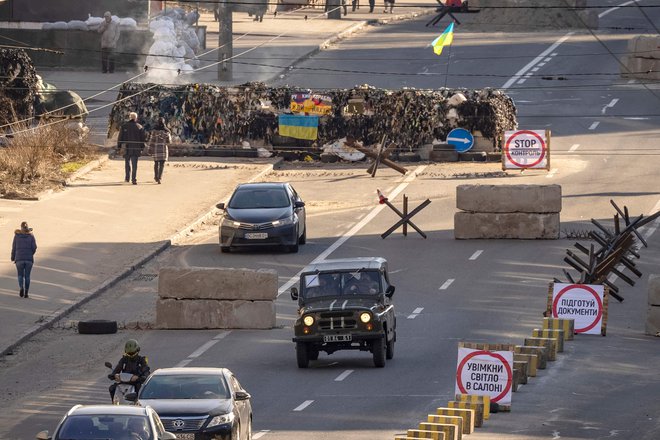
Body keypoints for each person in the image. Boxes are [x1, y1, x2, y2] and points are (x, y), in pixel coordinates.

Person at [117, 112, 146, 184]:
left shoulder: (124, 126)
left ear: (129, 118)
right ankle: (134, 179)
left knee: (127, 163)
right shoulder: (139, 127)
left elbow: (120, 137)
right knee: (134, 164)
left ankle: (127, 178)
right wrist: (142, 148)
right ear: (136, 118)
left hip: (126, 148)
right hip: (136, 148)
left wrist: (119, 146)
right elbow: (143, 139)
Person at [11, 221, 37, 298]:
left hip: (19, 258)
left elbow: (14, 248)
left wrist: (13, 257)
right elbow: (34, 247)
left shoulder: (17, 236)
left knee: (20, 275)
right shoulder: (31, 236)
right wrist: (30, 254)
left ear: (21, 228)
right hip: (29, 259)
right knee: (27, 276)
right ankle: (26, 292)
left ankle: (21, 287)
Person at [147, 117, 171, 184]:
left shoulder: (154, 131)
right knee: (162, 164)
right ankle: (160, 177)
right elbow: (169, 142)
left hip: (156, 150)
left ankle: (156, 177)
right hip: (163, 150)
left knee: (156, 163)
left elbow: (151, 141)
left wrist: (149, 149)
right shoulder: (167, 132)